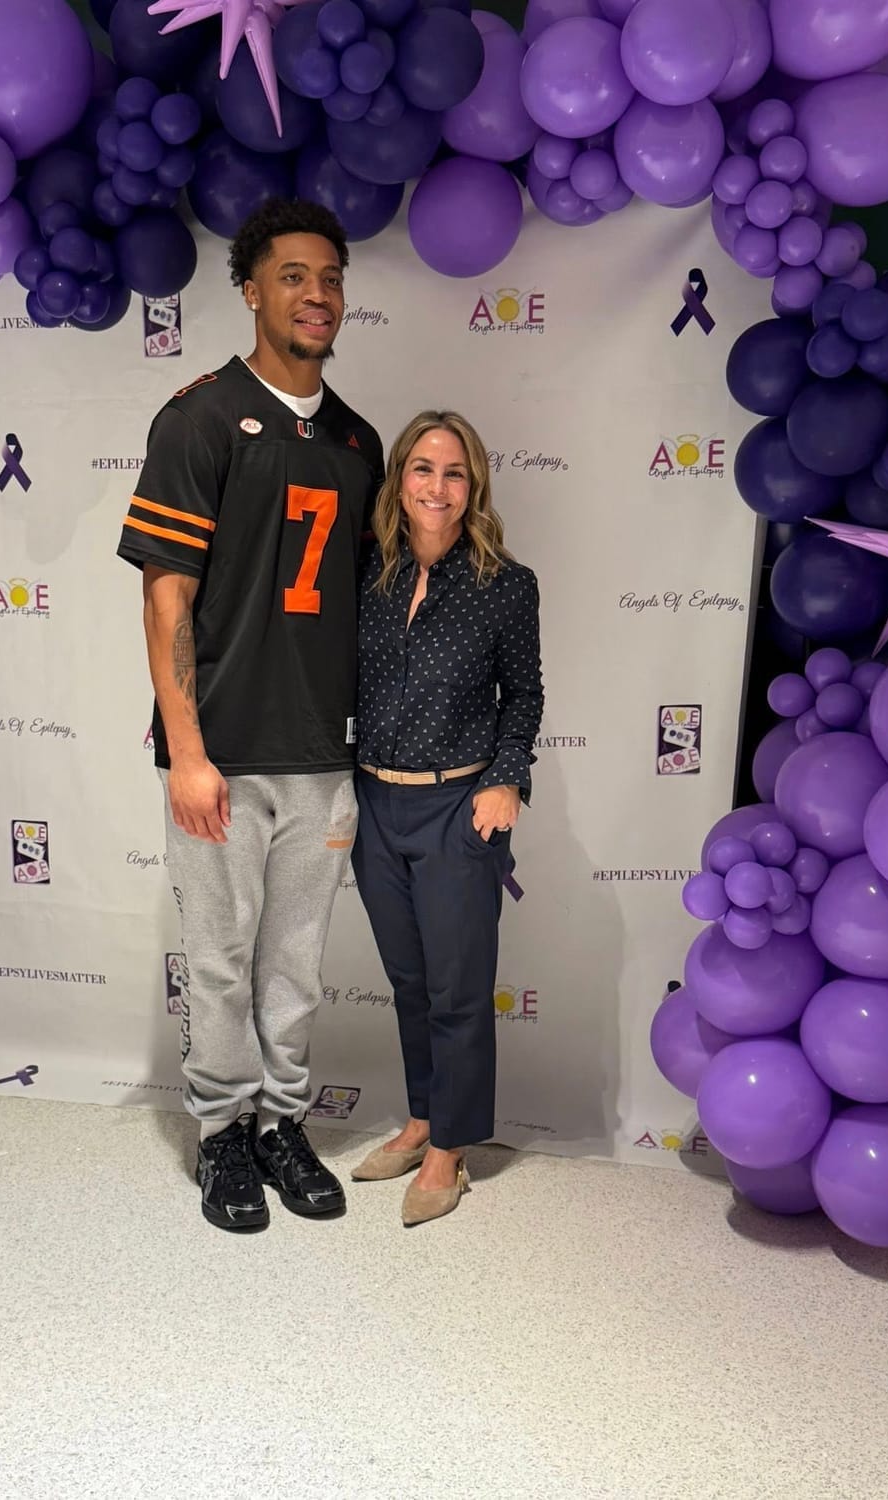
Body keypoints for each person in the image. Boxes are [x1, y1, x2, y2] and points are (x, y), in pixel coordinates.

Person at [116, 200, 384, 1231]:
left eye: (330, 278)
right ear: (251, 291)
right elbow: (165, 600)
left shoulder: (356, 440)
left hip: (322, 752)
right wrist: (187, 752)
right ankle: (222, 1132)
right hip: (221, 751)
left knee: (296, 966)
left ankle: (281, 1122)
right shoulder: (199, 417)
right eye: (292, 276)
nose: (316, 294)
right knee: (221, 963)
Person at [349, 410, 543, 1227]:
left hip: (457, 808)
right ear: (400, 479)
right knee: (408, 982)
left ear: (474, 487)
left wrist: (506, 782)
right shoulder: (366, 571)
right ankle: (423, 1116)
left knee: (457, 991)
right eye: (422, 469)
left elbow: (523, 694)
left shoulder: (505, 584)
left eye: (453, 472)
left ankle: (449, 1151)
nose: (437, 486)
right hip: (372, 803)